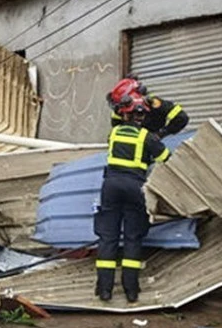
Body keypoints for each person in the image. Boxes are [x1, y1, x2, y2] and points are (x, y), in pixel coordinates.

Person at [95, 89, 172, 304]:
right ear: (141, 116)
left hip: (110, 186)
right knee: (132, 237)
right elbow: (166, 158)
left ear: (124, 114)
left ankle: (105, 290)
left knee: (108, 237)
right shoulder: (145, 136)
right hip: (135, 188)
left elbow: (115, 120)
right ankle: (131, 291)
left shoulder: (114, 133)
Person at [110, 75, 189, 138]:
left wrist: (161, 134)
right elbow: (116, 126)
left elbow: (181, 118)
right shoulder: (119, 109)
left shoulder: (155, 104)